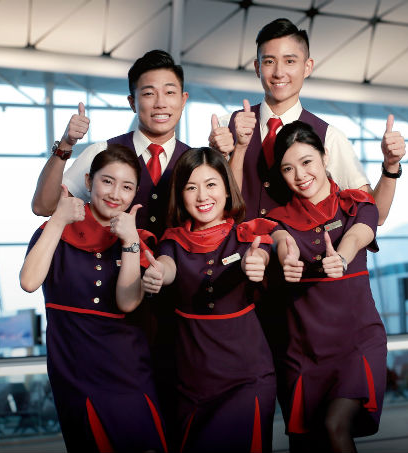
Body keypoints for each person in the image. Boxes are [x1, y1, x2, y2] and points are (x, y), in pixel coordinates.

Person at [20, 145, 167, 453]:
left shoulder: (136, 241)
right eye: (107, 181)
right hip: (76, 374)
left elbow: (127, 302)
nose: (115, 194)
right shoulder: (54, 232)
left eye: (127, 187)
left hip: (130, 373)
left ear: (135, 194)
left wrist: (130, 242)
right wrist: (58, 220)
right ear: (88, 182)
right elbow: (29, 281)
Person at [142, 147, 277, 453]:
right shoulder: (172, 241)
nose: (202, 196)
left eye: (211, 184)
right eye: (191, 187)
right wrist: (157, 274)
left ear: (228, 190)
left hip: (248, 377)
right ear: (181, 194)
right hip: (191, 384)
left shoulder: (248, 235)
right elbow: (167, 267)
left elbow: (260, 257)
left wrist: (254, 265)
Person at [209, 18, 405, 225]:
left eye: (290, 61)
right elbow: (211, 208)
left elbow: (376, 216)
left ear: (307, 67)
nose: (278, 72)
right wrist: (220, 154)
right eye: (269, 62)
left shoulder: (329, 136)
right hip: (238, 255)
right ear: (258, 68)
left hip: (303, 256)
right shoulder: (225, 127)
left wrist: (391, 165)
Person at [268, 121, 387, 453]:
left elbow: (360, 233)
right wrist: (285, 254)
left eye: (307, 162)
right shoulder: (278, 220)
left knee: (335, 426)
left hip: (356, 343)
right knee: (307, 443)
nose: (300, 174)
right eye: (288, 168)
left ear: (324, 157)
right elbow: (279, 240)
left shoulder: (356, 205)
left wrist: (343, 258)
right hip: (304, 352)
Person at [31, 49, 190, 238]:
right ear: (132, 102)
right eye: (149, 93)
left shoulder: (196, 163)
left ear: (183, 100)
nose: (160, 103)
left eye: (170, 92)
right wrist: (66, 144)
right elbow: (44, 206)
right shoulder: (102, 152)